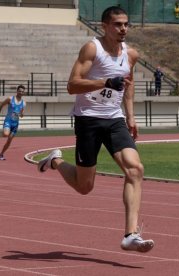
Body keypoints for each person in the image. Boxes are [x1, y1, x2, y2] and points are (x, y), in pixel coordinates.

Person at [37, 6, 154, 253]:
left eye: (126, 24)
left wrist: (131, 116)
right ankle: (56, 161)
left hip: (114, 119)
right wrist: (104, 82)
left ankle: (131, 234)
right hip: (88, 119)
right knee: (84, 187)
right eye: (117, 24)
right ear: (104, 26)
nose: (123, 29)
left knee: (135, 169)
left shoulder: (130, 54)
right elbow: (72, 85)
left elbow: (128, 85)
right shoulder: (93, 48)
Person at [0, 85, 26, 160]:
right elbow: (1, 105)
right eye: (19, 91)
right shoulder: (10, 99)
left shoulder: (24, 103)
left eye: (22, 91)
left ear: (23, 93)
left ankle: (1, 154)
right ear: (17, 91)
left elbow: (21, 115)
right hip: (8, 121)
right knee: (6, 134)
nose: (21, 92)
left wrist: (21, 114)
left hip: (15, 124)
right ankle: (4, 131)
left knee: (9, 140)